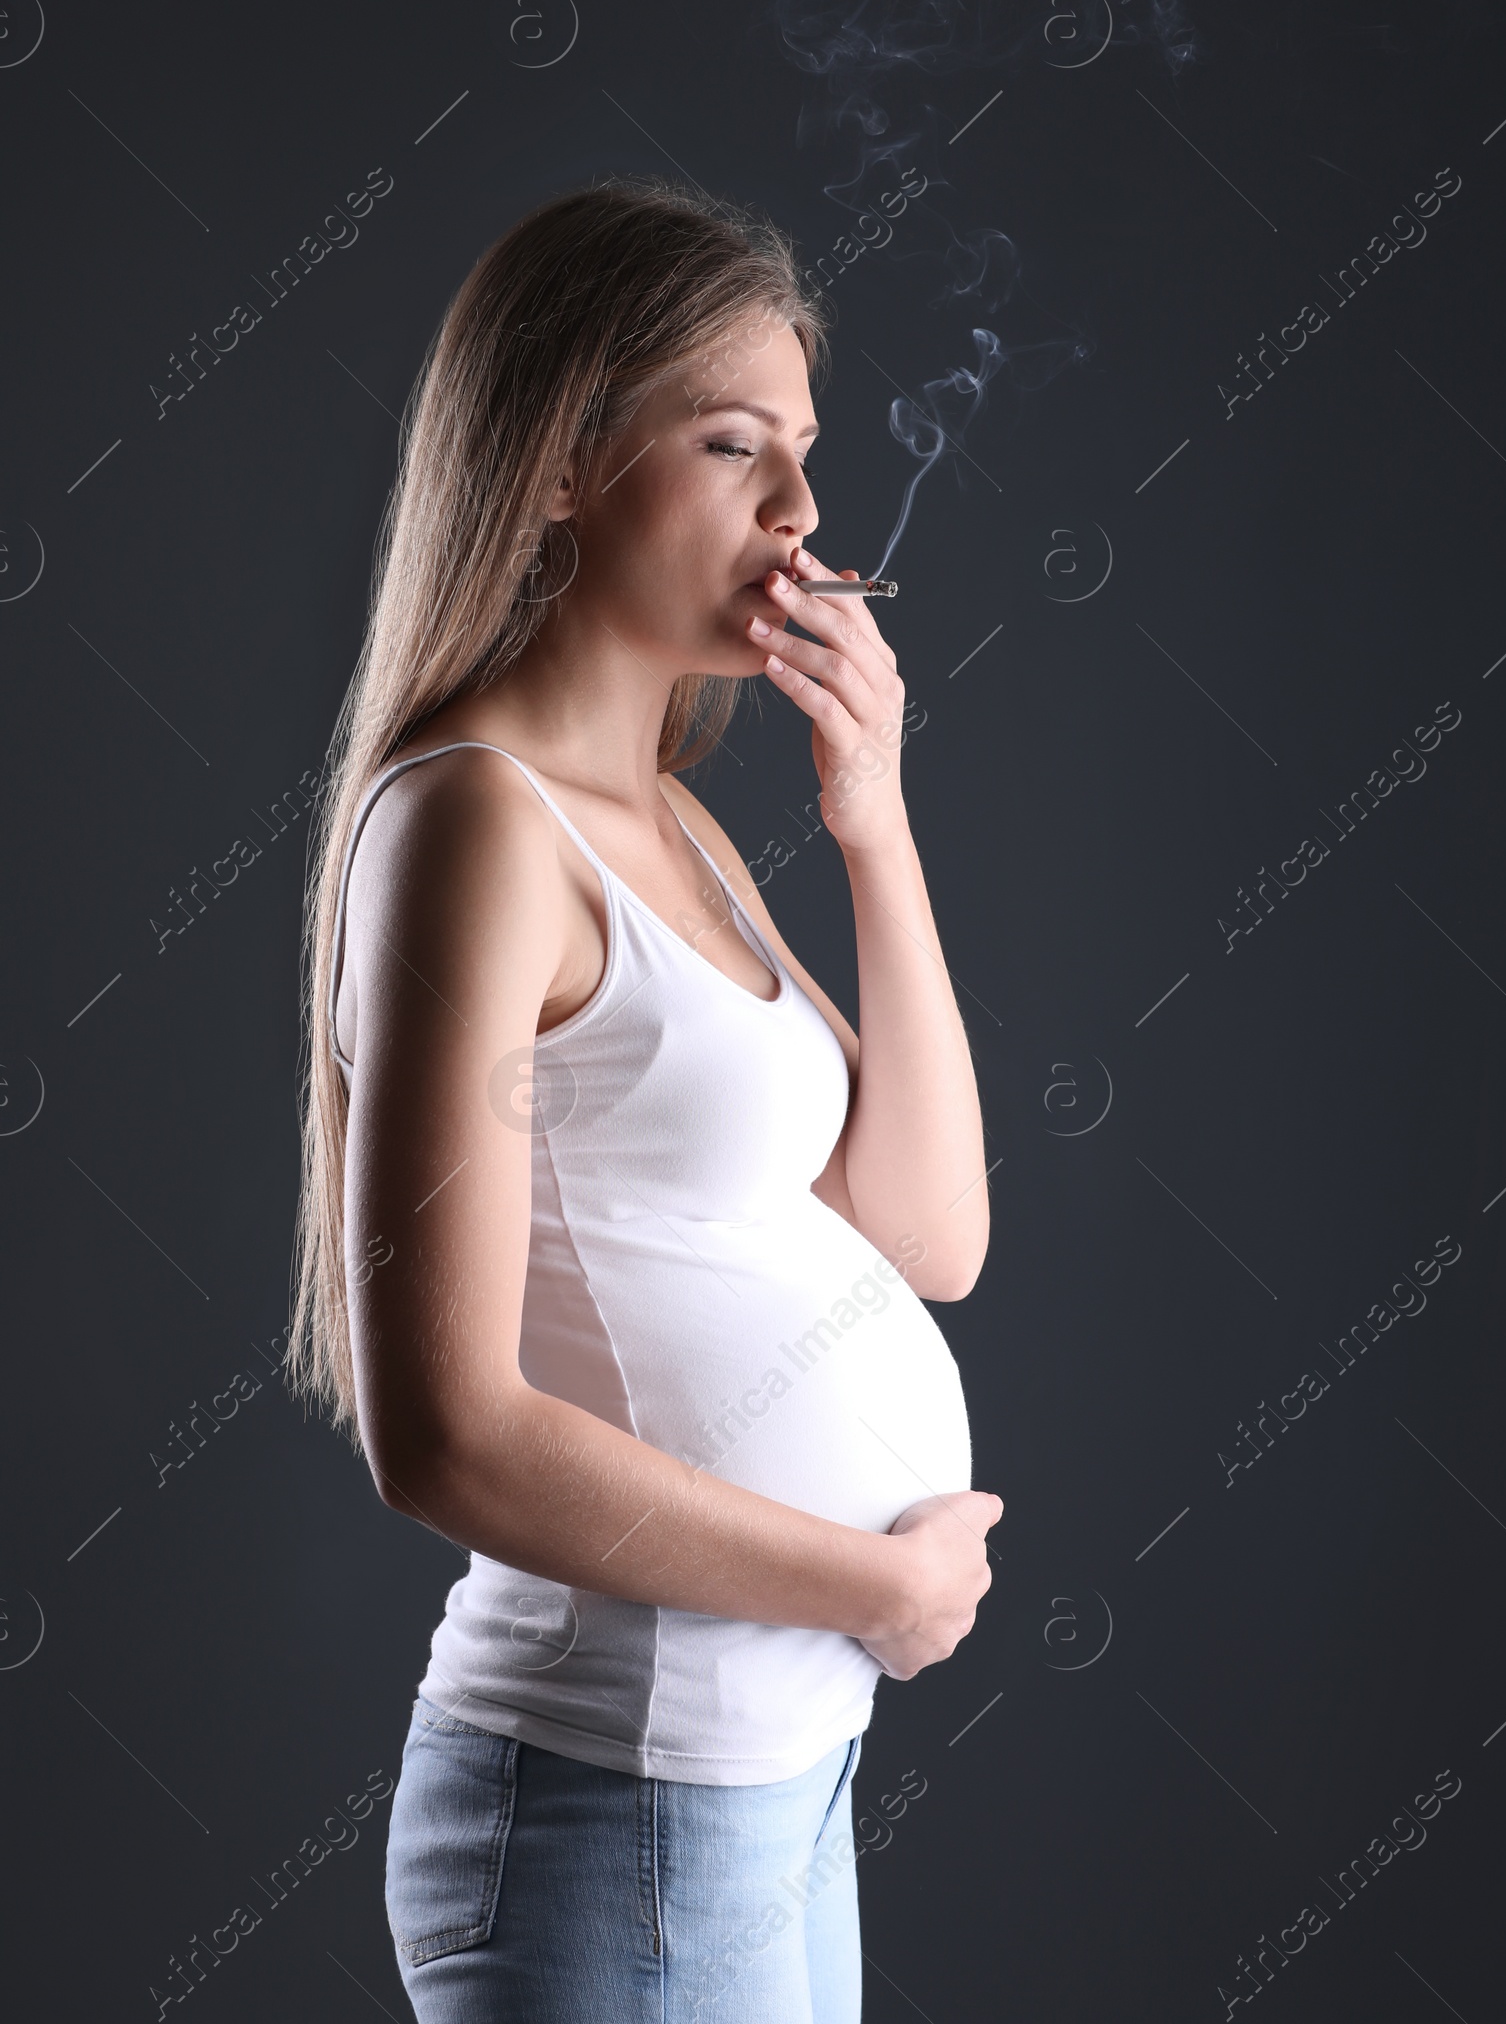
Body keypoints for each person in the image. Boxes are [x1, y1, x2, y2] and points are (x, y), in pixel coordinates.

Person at [290, 177, 1002, 2022]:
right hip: (620, 1808)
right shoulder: (472, 825)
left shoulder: (670, 824)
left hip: (761, 1790)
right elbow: (439, 1434)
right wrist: (872, 1585)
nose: (802, 514)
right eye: (731, 445)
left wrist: (875, 818)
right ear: (555, 465)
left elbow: (929, 1235)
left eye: (807, 453)